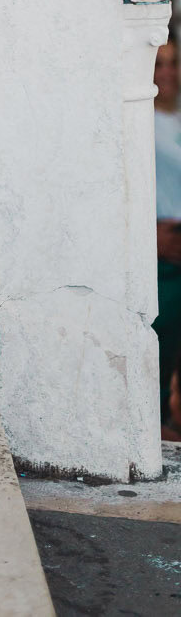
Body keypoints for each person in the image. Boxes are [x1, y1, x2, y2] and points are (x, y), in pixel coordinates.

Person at [154, 35, 181, 436]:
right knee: (160, 340)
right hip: (161, 249)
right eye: (158, 64)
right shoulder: (136, 119)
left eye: (173, 63)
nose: (168, 72)